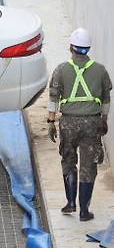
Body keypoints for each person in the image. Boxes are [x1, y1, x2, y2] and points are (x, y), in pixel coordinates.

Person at [47, 28, 110, 222]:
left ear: (71, 48)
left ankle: (70, 203)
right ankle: (84, 211)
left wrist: (51, 121)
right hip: (92, 123)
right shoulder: (100, 70)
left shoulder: (60, 69)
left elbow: (53, 99)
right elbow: (106, 99)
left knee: (68, 159)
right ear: (88, 48)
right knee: (88, 165)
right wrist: (103, 120)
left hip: (68, 123)